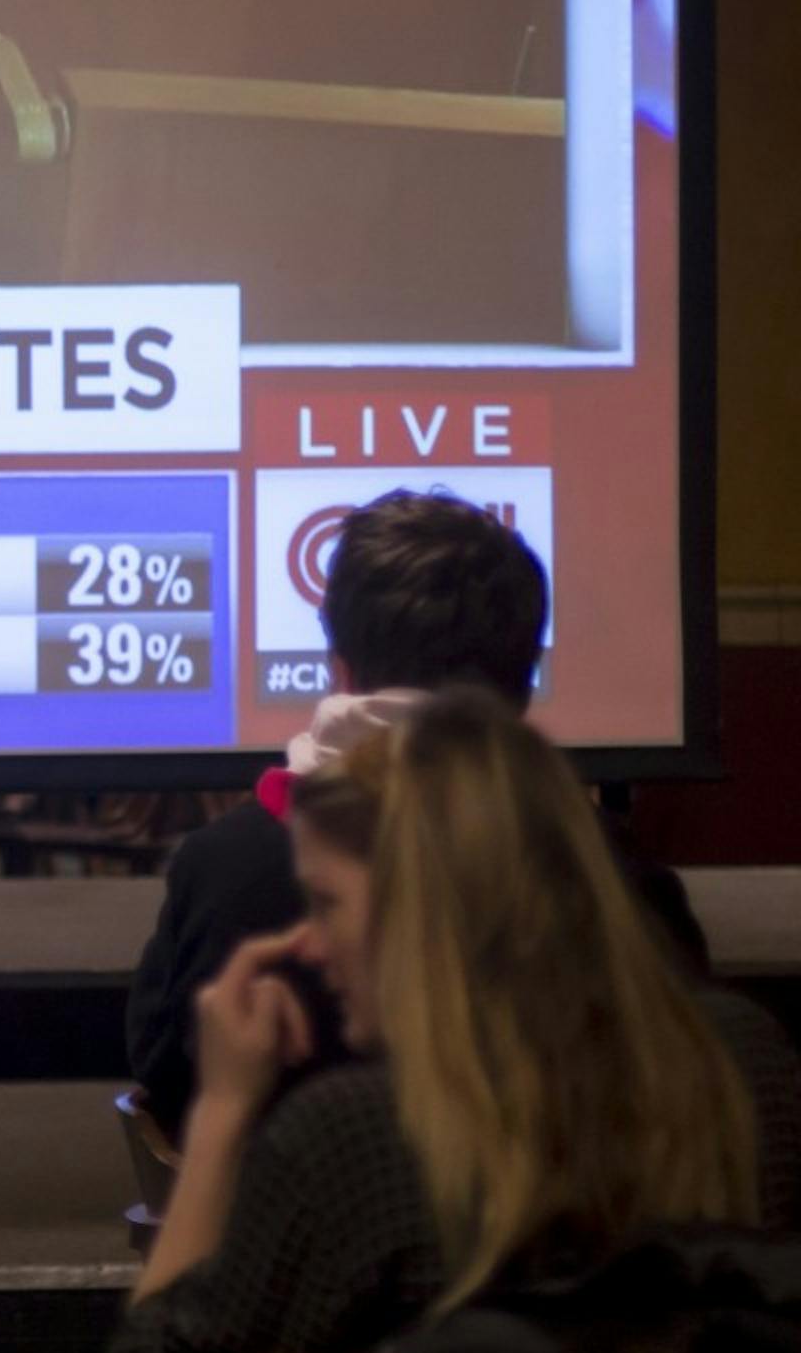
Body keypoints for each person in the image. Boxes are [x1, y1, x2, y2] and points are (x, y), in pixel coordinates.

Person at [113, 689, 801, 1353]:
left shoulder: (355, 1139)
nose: (311, 945)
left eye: (328, 902)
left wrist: (221, 1117)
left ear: (423, 903)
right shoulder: (745, 1060)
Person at [123, 490, 706, 1144]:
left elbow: (167, 1087)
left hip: (284, 1239)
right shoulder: (620, 878)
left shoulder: (222, 870)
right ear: (523, 682)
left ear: (338, 670)